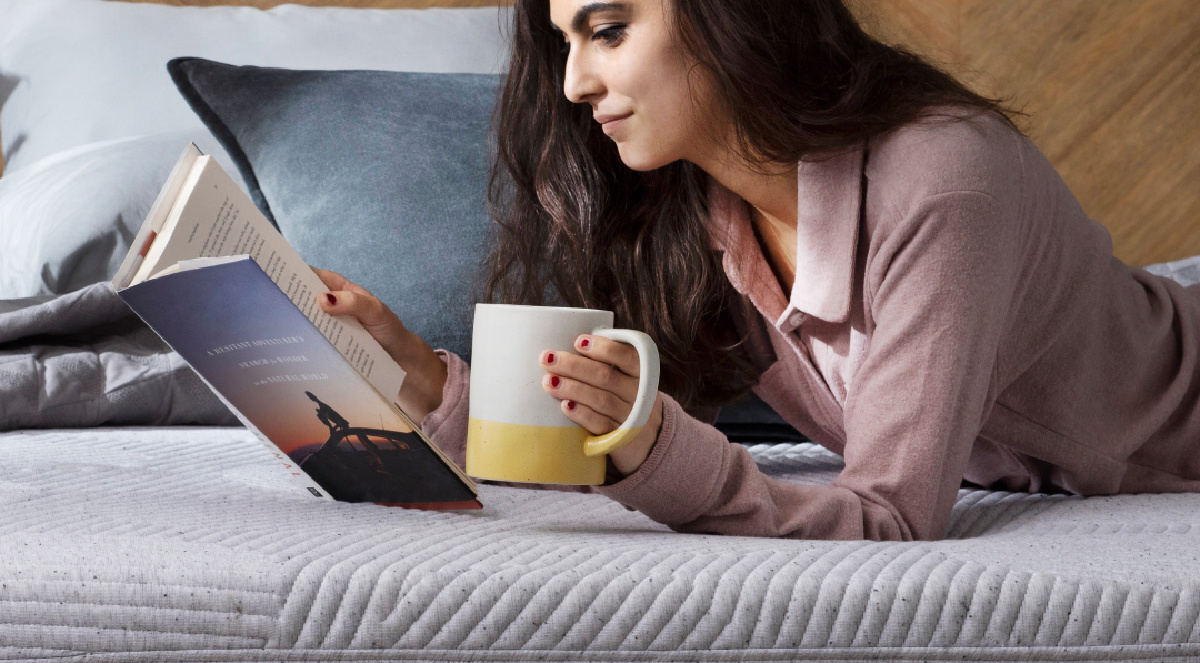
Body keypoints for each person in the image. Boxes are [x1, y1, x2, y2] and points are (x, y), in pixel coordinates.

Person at [314, 0, 1200, 542]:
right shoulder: (688, 214)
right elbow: (583, 439)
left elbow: (887, 518)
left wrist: (657, 446)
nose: (576, 83)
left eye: (609, 31)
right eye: (565, 44)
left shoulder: (946, 177)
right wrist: (420, 377)